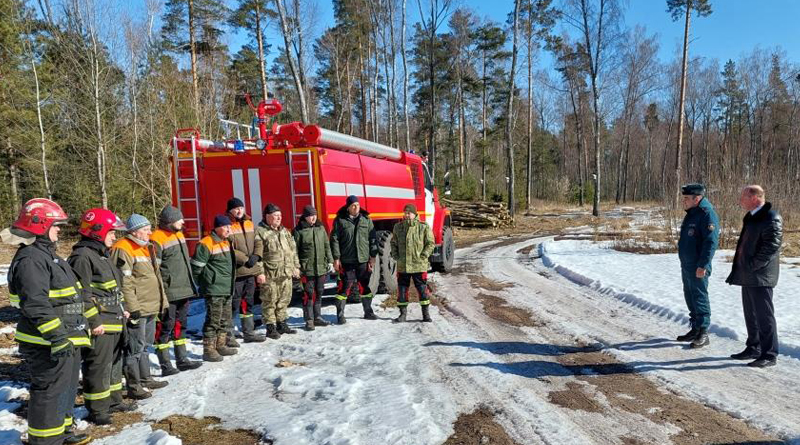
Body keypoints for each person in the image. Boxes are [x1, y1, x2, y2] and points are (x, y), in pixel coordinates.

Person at [3, 198, 92, 445]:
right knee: (49, 392)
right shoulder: (32, 259)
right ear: (40, 225)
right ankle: (44, 441)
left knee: (66, 388)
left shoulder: (47, 255)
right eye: (56, 225)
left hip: (65, 337)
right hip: (48, 341)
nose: (60, 230)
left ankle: (62, 433)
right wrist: (58, 337)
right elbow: (35, 303)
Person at [68, 208, 136, 426]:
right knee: (98, 366)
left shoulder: (102, 255)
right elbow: (82, 294)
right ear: (98, 231)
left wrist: (122, 308)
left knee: (114, 364)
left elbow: (111, 289)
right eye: (111, 232)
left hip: (115, 319)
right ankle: (97, 410)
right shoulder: (82, 257)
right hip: (101, 324)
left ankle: (114, 401)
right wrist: (93, 321)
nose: (115, 237)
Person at [111, 214, 169, 400]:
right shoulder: (123, 248)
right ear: (134, 231)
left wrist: (163, 302)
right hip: (138, 307)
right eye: (146, 230)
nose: (150, 232)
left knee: (145, 345)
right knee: (134, 348)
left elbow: (154, 278)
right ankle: (134, 385)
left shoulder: (147, 247)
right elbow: (124, 282)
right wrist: (131, 306)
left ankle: (145, 378)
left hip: (151, 305)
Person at [725, 185, 783, 368]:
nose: (740, 200)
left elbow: (771, 247)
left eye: (743, 196)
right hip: (749, 275)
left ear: (754, 197)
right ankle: (754, 347)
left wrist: (752, 265)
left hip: (761, 276)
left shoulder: (771, 217)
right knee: (750, 314)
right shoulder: (752, 217)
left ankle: (770, 354)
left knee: (764, 316)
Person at [150, 206, 203, 374]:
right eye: (180, 219)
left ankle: (182, 359)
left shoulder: (178, 234)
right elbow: (155, 270)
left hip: (183, 289)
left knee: (181, 325)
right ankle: (165, 363)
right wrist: (161, 292)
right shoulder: (156, 239)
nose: (183, 222)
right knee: (165, 327)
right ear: (170, 221)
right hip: (169, 292)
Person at [676, 183, 720, 349]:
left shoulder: (706, 215)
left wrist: (703, 265)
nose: (684, 201)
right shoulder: (692, 214)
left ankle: (703, 332)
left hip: (698, 266)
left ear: (697, 198)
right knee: (690, 295)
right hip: (687, 265)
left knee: (699, 296)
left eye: (687, 198)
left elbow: (710, 243)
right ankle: (694, 328)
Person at [192, 215, 238, 361]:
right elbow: (196, 268)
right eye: (225, 227)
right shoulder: (206, 243)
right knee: (213, 320)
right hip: (214, 289)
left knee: (225, 319)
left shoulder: (226, 242)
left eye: (229, 227)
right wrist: (206, 283)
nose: (228, 230)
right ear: (217, 227)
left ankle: (221, 345)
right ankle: (208, 350)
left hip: (227, 287)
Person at [330, 195, 378, 323]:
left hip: (362, 260)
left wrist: (373, 256)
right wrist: (336, 258)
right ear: (348, 207)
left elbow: (373, 239)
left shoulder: (366, 220)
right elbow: (334, 240)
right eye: (353, 205)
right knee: (344, 287)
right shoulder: (340, 220)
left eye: (357, 204)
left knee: (365, 287)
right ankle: (340, 315)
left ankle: (368, 311)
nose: (356, 207)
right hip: (347, 261)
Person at [256, 204, 300, 339]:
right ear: (268, 216)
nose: (279, 218)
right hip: (270, 274)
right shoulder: (260, 232)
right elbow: (257, 255)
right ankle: (270, 327)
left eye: (280, 216)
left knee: (284, 299)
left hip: (286, 273)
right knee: (269, 301)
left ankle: (282, 324)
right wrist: (260, 272)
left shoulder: (285, 231)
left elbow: (293, 250)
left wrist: (296, 267)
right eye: (276, 216)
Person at [225, 198, 266, 343]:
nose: (239, 211)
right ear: (230, 211)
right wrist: (244, 259)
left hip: (251, 270)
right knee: (233, 304)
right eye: (236, 209)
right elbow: (228, 247)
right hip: (238, 272)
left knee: (247, 302)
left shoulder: (249, 223)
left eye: (241, 208)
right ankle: (228, 335)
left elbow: (258, 241)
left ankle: (248, 332)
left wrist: (257, 255)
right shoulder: (227, 225)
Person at [391, 204, 436, 323]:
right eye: (405, 213)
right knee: (402, 291)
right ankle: (403, 315)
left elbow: (430, 243)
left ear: (414, 214)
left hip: (418, 265)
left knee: (422, 290)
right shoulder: (398, 227)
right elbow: (393, 243)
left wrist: (424, 255)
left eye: (408, 213)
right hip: (403, 266)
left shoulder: (423, 227)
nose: (406, 215)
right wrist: (395, 255)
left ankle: (426, 314)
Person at [292, 205, 333, 331]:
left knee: (319, 292)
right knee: (308, 294)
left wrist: (330, 261)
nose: (313, 217)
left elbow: (327, 245)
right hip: (307, 268)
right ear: (305, 217)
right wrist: (296, 266)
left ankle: (318, 317)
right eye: (310, 215)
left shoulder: (320, 228)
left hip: (321, 267)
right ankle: (309, 320)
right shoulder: (298, 231)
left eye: (314, 215)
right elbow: (295, 251)